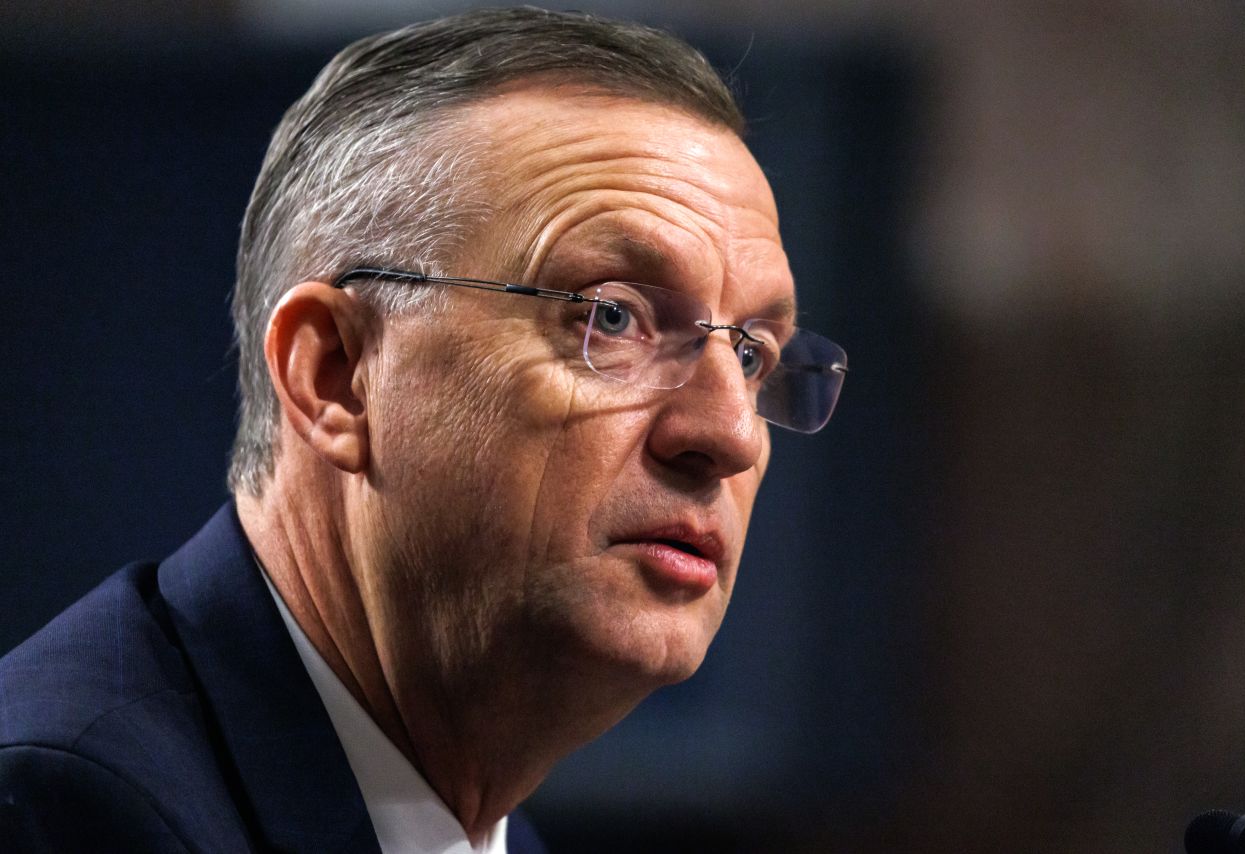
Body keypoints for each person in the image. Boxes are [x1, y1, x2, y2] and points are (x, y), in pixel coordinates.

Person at [0, 7, 848, 852]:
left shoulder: (479, 826)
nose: (730, 433)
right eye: (614, 317)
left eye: (751, 354)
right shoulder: (74, 809)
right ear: (336, 376)